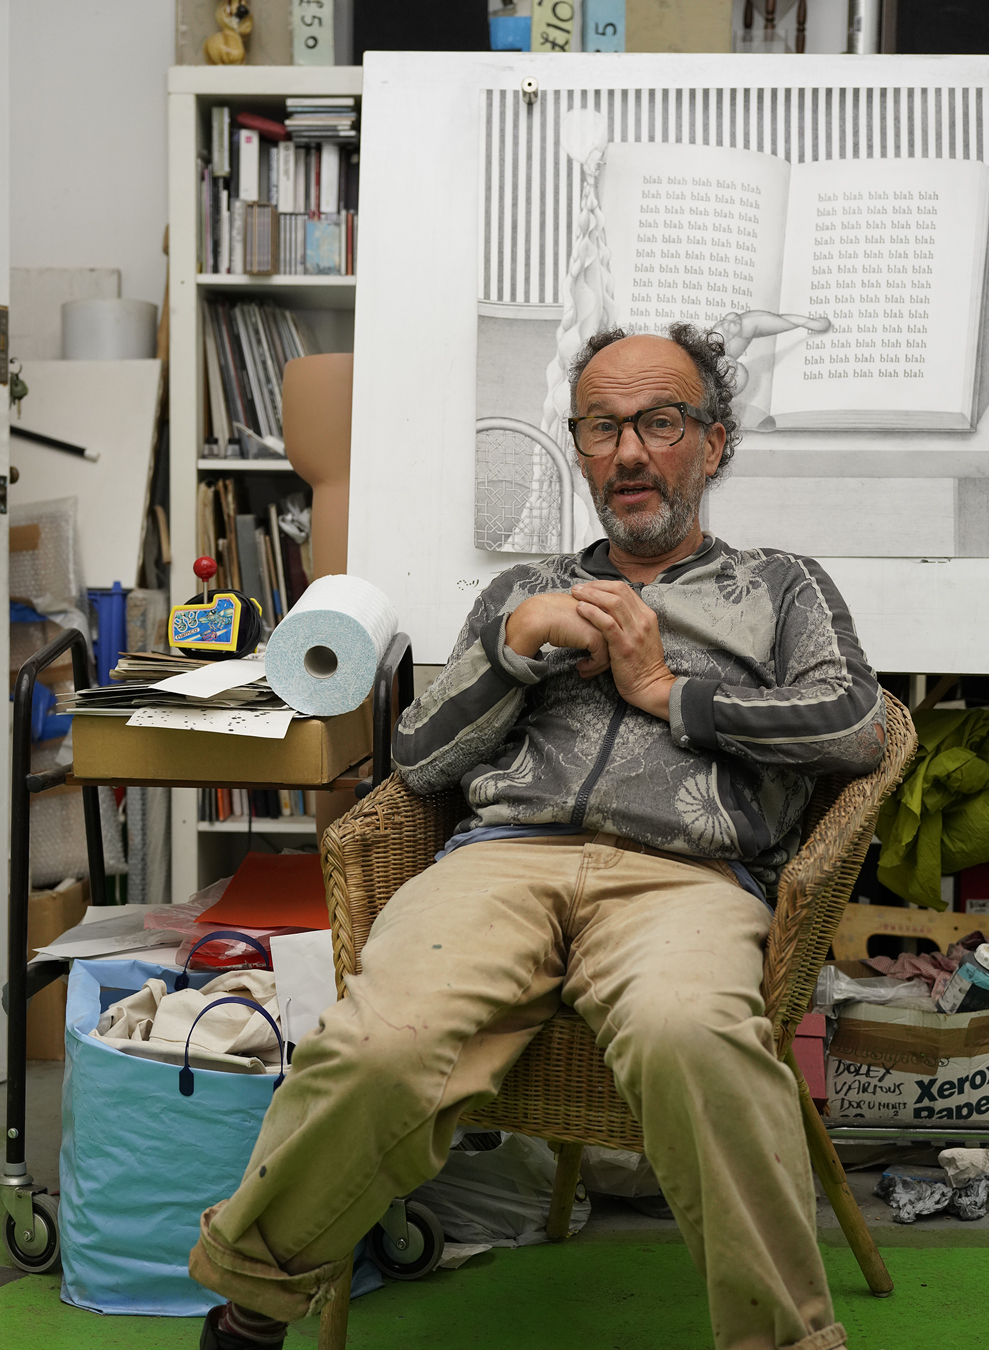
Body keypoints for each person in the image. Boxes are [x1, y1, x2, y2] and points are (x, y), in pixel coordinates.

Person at [192, 324, 885, 1350]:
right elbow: (419, 765)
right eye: (601, 427)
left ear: (714, 443)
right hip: (497, 863)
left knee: (691, 1036)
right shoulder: (525, 591)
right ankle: (249, 1307)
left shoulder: (779, 586)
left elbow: (852, 726)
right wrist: (509, 654)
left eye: (659, 421)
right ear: (580, 447)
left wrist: (666, 693)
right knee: (382, 1044)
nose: (630, 452)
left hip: (684, 879)